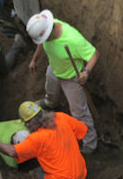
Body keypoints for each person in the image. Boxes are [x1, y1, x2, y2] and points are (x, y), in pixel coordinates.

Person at [26, 10, 99, 154]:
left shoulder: (72, 40)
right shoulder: (47, 30)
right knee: (50, 89)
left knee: (79, 113)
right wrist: (34, 59)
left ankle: (90, 143)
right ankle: (50, 103)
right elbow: (42, 43)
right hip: (54, 68)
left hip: (71, 77)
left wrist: (86, 72)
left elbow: (94, 54)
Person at [0, 101, 88, 179]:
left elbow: (11, 151)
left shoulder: (36, 139)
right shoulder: (60, 117)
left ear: (28, 124)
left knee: (31, 177)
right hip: (81, 173)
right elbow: (82, 130)